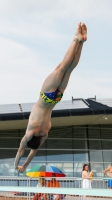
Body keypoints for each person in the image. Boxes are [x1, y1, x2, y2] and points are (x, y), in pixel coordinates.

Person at [14, 22, 87, 172]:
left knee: (69, 69)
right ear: (28, 141)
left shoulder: (43, 133)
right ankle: (76, 39)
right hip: (45, 96)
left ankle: (81, 42)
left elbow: (34, 151)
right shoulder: (30, 133)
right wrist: (17, 165)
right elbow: (21, 151)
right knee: (61, 67)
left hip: (55, 99)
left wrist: (25, 166)